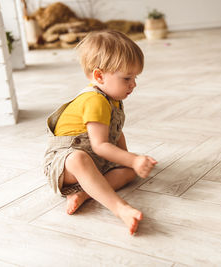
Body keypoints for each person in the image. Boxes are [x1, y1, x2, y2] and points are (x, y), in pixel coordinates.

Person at [43, 30, 157, 235]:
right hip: (64, 164)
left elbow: (116, 134)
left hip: (96, 160)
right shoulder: (94, 100)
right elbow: (100, 145)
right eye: (127, 78)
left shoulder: (113, 99)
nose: (134, 84)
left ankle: (85, 193)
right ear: (99, 76)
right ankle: (120, 208)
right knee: (79, 159)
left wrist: (130, 161)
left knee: (131, 172)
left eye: (135, 77)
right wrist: (132, 159)